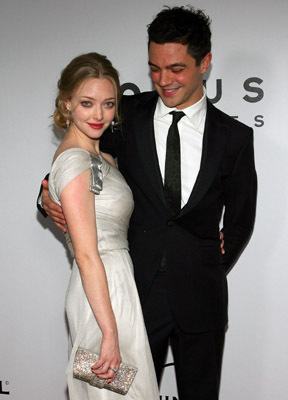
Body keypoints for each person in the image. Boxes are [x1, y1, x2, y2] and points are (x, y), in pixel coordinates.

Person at [39, 6, 257, 400]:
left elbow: (241, 222)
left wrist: (202, 264)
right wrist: (43, 197)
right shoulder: (124, 116)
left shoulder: (234, 137)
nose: (163, 79)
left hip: (201, 302)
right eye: (154, 68)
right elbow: (75, 165)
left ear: (204, 62)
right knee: (114, 392)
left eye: (176, 68)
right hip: (130, 299)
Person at [44, 52, 159, 400]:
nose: (98, 115)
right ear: (67, 103)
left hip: (119, 289)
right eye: (87, 103)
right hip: (100, 295)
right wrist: (109, 332)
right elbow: (85, 253)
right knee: (110, 392)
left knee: (128, 393)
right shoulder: (74, 161)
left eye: (108, 104)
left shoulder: (102, 157)